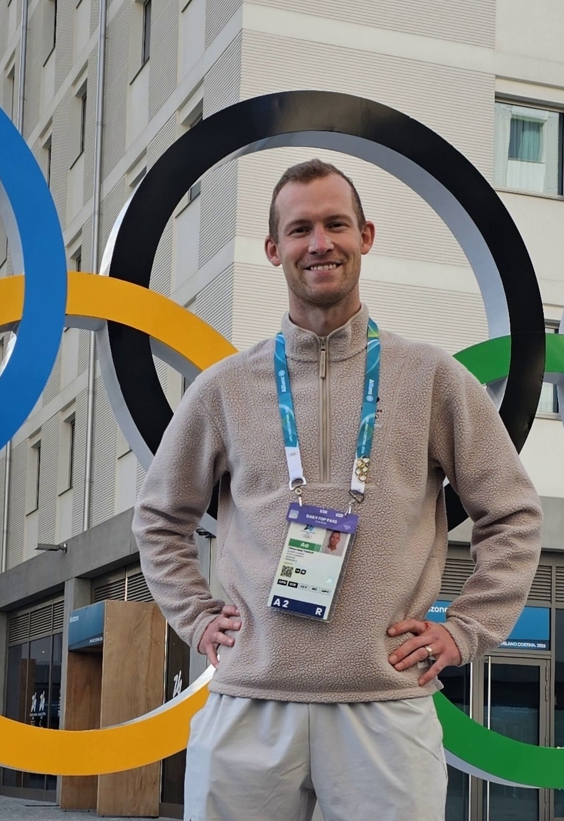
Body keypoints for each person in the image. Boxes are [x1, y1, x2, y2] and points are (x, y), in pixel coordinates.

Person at [134, 158, 543, 820]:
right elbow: (159, 518)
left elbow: (515, 513)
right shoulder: (224, 389)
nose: (319, 242)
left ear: (366, 236)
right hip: (249, 706)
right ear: (274, 249)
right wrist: (199, 617)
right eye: (299, 229)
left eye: (335, 224)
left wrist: (463, 632)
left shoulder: (431, 378)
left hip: (385, 709)